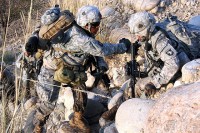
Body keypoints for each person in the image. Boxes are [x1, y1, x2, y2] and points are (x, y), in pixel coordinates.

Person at [23, 5, 131, 133]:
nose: (98, 27)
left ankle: (77, 119)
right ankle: (37, 127)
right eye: (95, 24)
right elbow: (102, 49)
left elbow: (95, 50)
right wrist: (123, 46)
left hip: (71, 68)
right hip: (51, 69)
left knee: (81, 93)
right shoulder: (81, 38)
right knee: (49, 103)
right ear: (86, 24)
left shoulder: (81, 31)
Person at [127, 11, 191, 98]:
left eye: (139, 34)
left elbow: (173, 64)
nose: (137, 37)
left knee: (139, 87)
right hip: (164, 66)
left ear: (147, 29)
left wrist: (154, 83)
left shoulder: (160, 40)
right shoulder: (152, 32)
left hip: (178, 70)